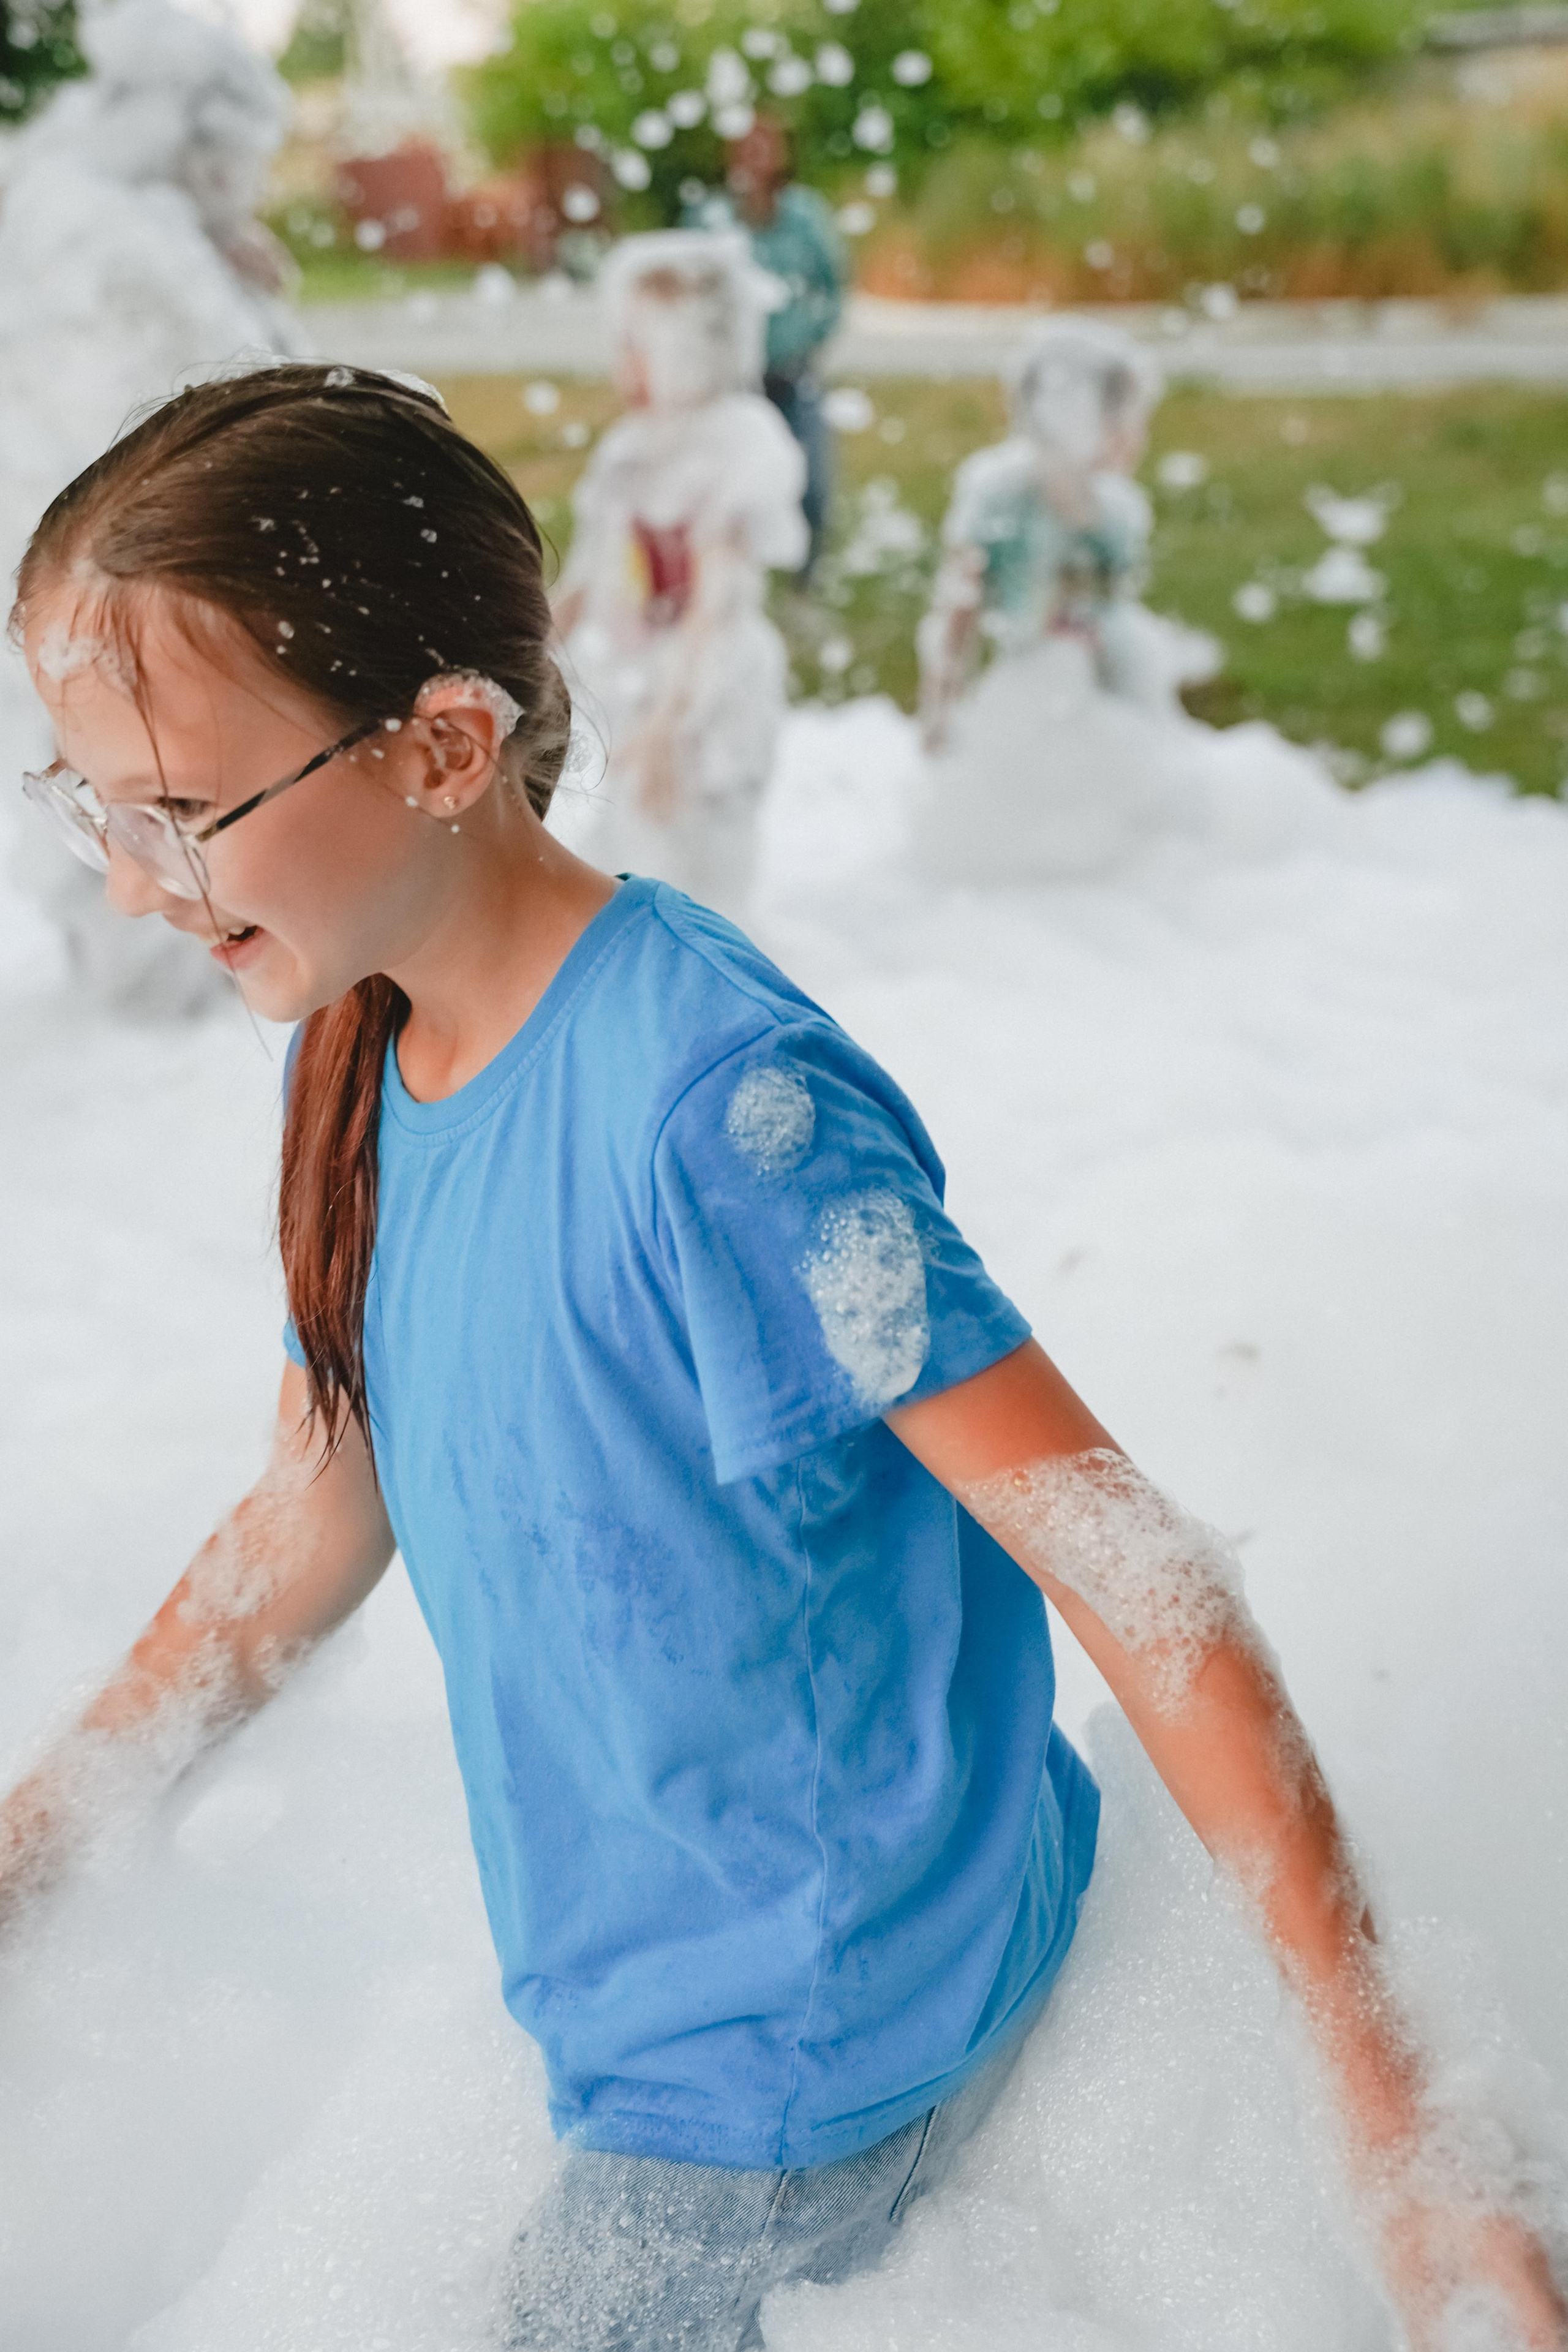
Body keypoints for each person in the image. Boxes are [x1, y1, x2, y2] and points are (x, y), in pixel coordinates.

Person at [1, 363, 1561, 2352]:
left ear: (442, 747)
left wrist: (1409, 2130)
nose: (131, 886)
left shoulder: (723, 1120)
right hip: (667, 1954)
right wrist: (42, 1842)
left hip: (805, 2037)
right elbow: (321, 1500)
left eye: (176, 813)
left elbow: (1132, 1565)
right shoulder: (362, 1033)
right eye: (90, 809)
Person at [0, 0, 301, 1016]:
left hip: (71, 546)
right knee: (141, 761)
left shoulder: (60, 188)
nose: (241, 187)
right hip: (109, 551)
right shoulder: (121, 228)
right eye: (234, 164)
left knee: (100, 765)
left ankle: (145, 974)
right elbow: (231, 397)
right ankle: (164, 992)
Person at [914, 317, 1225, 883]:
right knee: (1041, 808)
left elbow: (1110, 603)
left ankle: (1126, 861)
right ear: (1074, 418)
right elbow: (958, 609)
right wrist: (941, 707)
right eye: (1127, 420)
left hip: (1110, 683)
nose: (1139, 437)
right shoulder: (999, 497)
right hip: (1040, 687)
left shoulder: (1116, 509)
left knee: (1133, 793)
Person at [552, 230, 805, 916]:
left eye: (642, 344)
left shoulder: (740, 442)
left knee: (697, 855)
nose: (625, 363)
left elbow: (716, 605)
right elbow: (585, 580)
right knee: (626, 847)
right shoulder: (628, 448)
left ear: (696, 348)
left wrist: (671, 721)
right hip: (643, 681)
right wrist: (520, 656)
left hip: (712, 686)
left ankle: (708, 948)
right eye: (624, 343)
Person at [687, 116, 846, 576]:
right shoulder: (708, 220)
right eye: (745, 147)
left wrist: (813, 336)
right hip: (730, 383)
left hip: (794, 373)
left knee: (811, 484)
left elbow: (834, 285)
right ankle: (727, 577)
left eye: (765, 146)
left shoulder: (806, 218)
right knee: (719, 487)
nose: (755, 158)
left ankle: (806, 580)